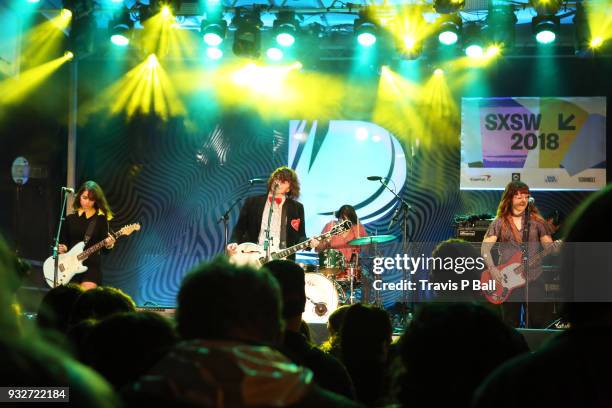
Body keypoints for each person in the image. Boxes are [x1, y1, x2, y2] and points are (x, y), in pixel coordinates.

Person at [481, 181, 554, 328]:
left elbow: (549, 246)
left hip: (534, 277)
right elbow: (485, 249)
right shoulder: (500, 222)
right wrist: (493, 269)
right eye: (518, 196)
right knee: (509, 322)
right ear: (509, 198)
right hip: (508, 280)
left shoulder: (538, 222)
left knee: (537, 322)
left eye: (526, 197)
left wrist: (558, 246)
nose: (523, 200)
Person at [227, 167, 318, 260]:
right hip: (254, 255)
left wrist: (309, 243)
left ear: (289, 188)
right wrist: (233, 242)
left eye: (284, 181)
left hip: (283, 257)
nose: (278, 182)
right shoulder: (253, 202)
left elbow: (300, 236)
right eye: (277, 178)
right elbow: (239, 228)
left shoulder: (297, 207)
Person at [58, 181, 115, 290]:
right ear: (79, 196)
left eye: (91, 199)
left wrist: (109, 245)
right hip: (70, 266)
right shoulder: (70, 219)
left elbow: (105, 251)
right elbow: (63, 241)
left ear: (96, 201)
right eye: (84, 197)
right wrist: (64, 248)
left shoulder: (101, 220)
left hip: (91, 267)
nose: (87, 202)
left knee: (86, 300)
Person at [316, 205, 367, 280]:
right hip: (332, 266)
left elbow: (367, 247)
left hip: (352, 267)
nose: (344, 222)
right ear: (338, 217)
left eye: (348, 220)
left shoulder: (358, 228)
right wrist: (326, 241)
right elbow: (318, 249)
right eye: (342, 218)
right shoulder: (330, 226)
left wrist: (361, 245)